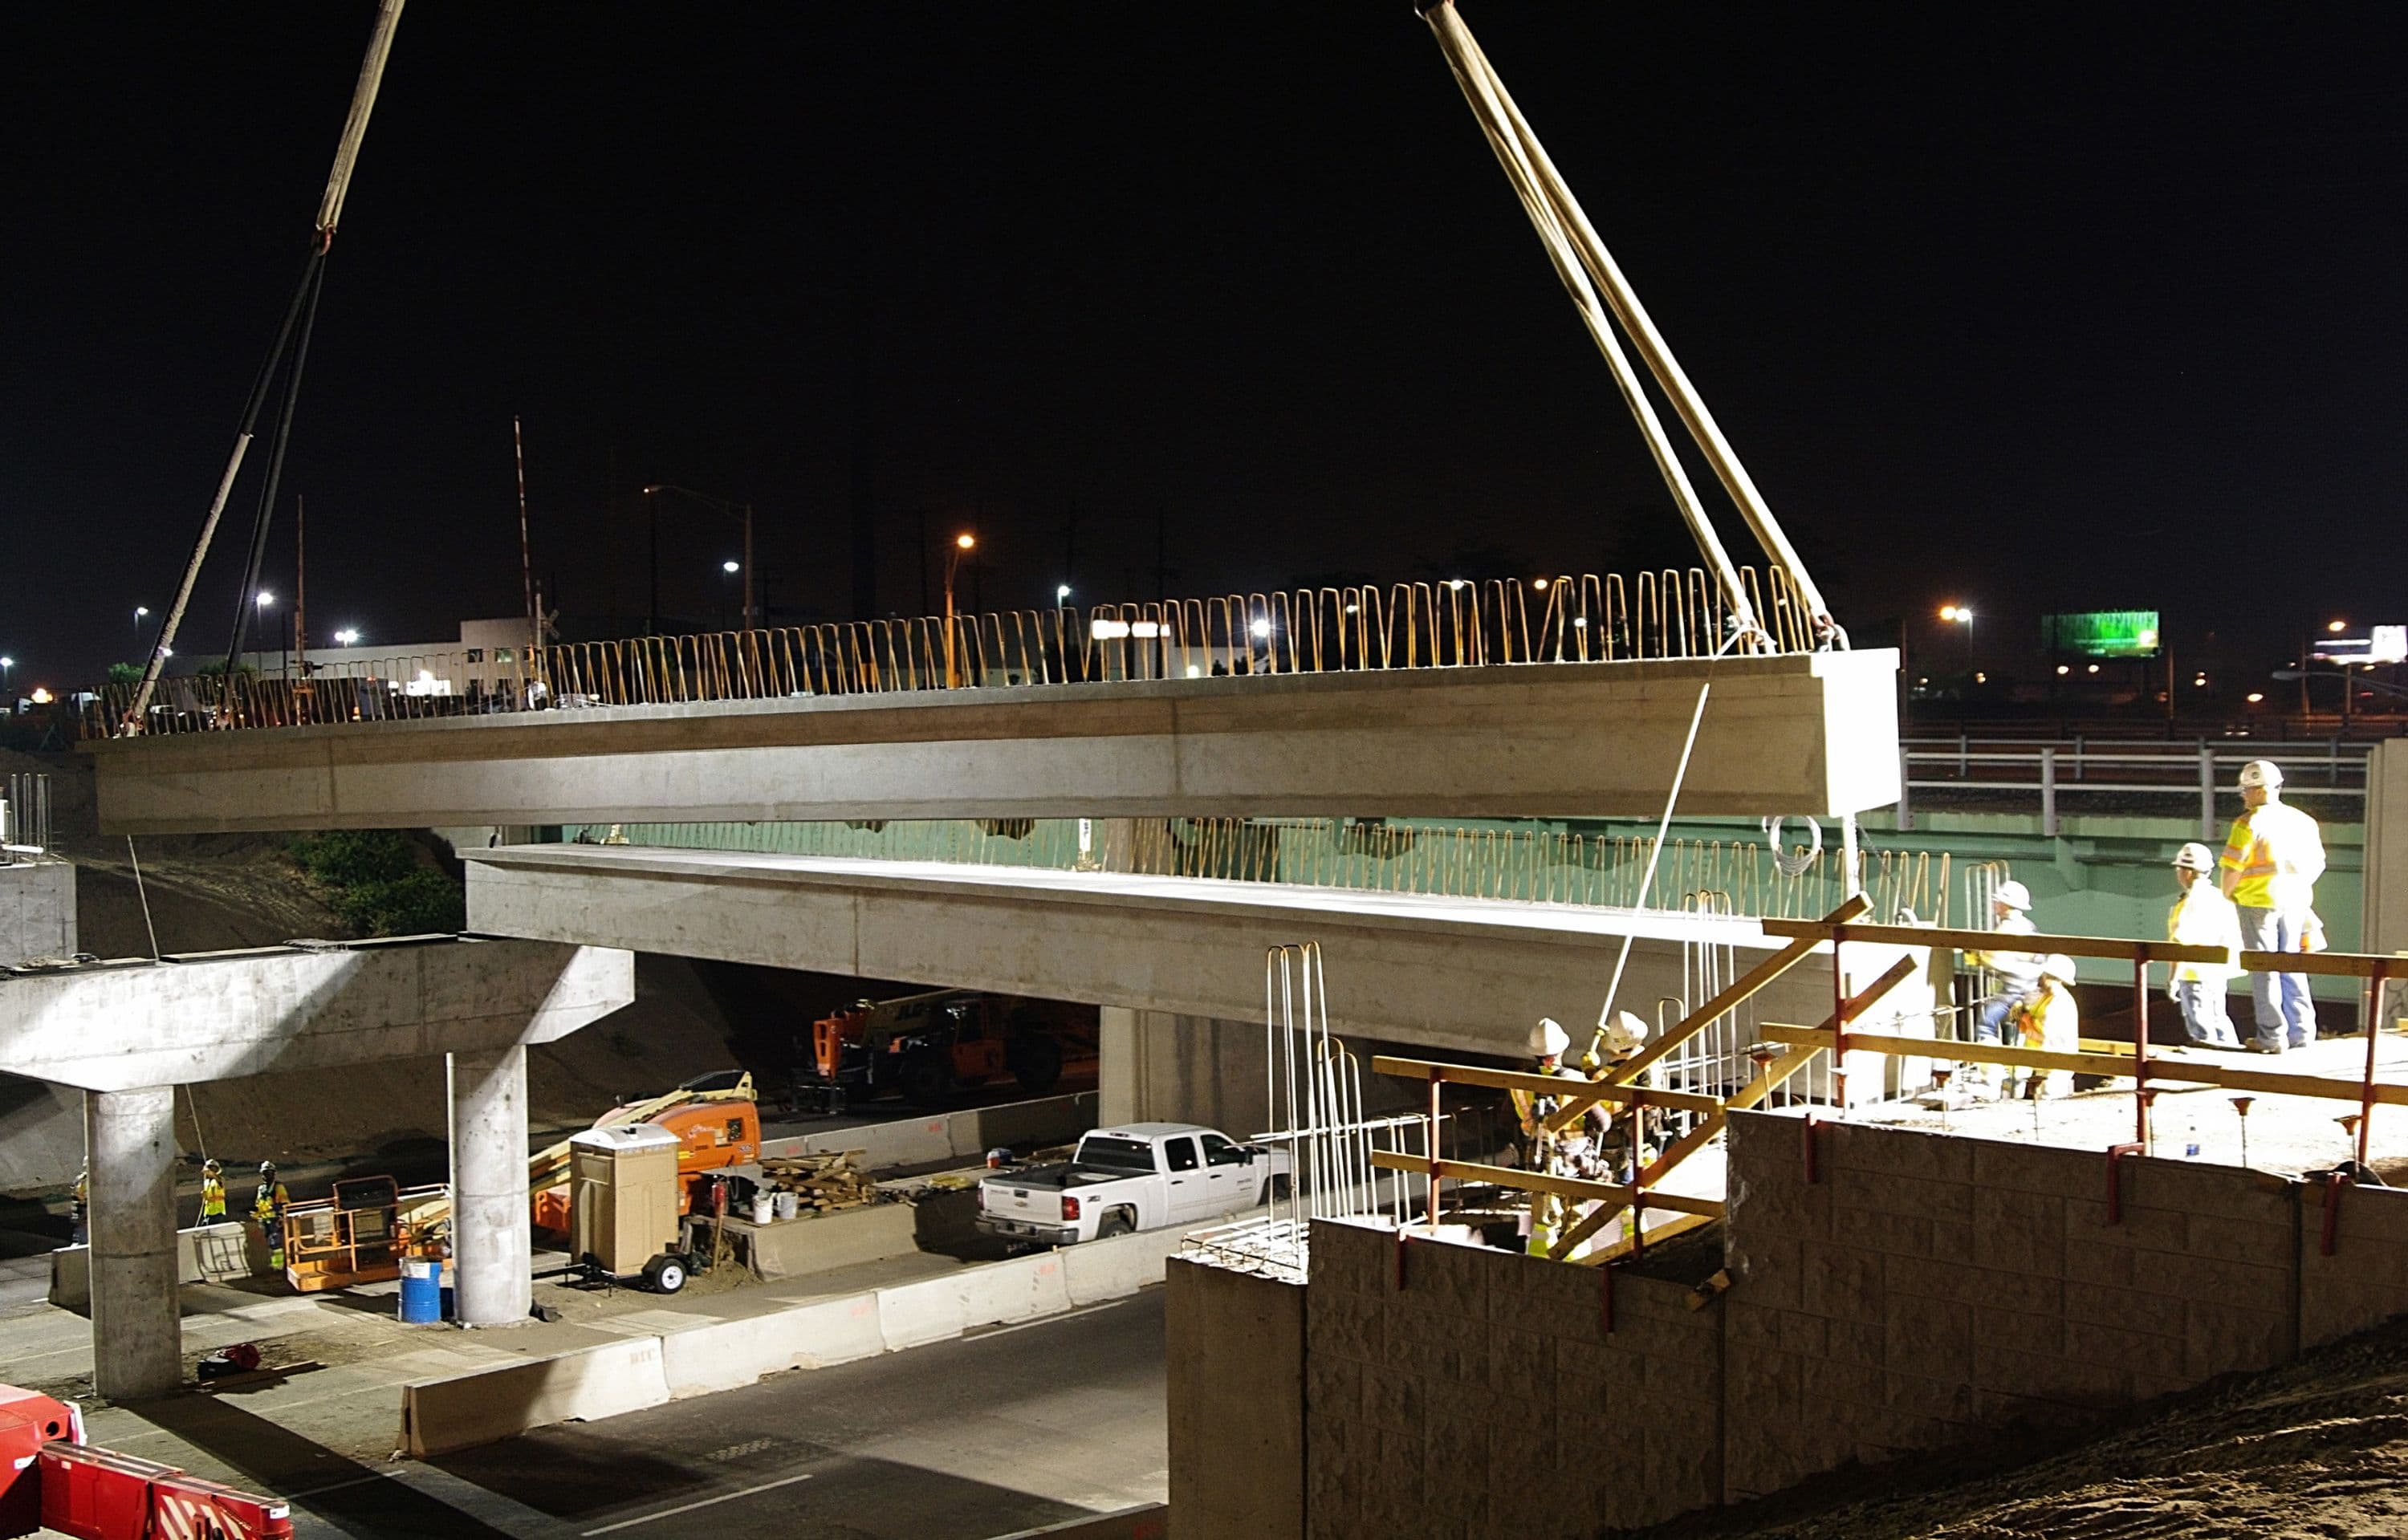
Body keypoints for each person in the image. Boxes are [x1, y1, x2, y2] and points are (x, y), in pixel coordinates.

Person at [2219, 759, 2326, 1053]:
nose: (2244, 796)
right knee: (2291, 966)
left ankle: (2272, 1036)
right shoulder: (2303, 821)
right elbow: (2318, 864)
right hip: (2294, 903)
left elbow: (2232, 869)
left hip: (2257, 904)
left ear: (2255, 790)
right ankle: (2302, 1033)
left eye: (2245, 790)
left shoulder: (2247, 823)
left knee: (2264, 970)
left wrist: (2228, 896)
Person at [2166, 843, 2243, 1047]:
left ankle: (2206, 1063)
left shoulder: (2190, 902)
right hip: (2216, 973)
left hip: (2193, 974)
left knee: (2202, 1030)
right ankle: (2232, 1062)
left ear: (2188, 872)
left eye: (2179, 869)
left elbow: (2180, 945)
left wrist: (2172, 980)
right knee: (2219, 1020)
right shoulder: (2220, 897)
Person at [1968, 880, 2041, 1044]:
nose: (1995, 904)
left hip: (2015, 990)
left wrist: (1977, 956)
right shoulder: (2028, 926)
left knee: (1985, 1027)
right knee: (2018, 1031)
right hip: (2031, 990)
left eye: (1998, 901)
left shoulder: (2007, 928)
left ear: (2006, 904)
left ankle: (1990, 1057)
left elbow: (1995, 959)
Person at [2007, 954, 2080, 1099]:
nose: (2039, 978)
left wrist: (2025, 1019)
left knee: (2048, 1098)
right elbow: (2033, 1020)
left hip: (2056, 1062)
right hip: (2041, 1059)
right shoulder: (2047, 998)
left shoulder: (2060, 1003)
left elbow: (2045, 1035)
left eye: (2043, 974)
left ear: (2049, 977)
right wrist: (2022, 1012)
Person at [253, 1161, 290, 1271]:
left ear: (274, 1174)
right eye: (265, 1173)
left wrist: (276, 1212)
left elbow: (285, 1203)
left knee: (276, 1243)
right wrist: (259, 1213)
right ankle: (275, 1264)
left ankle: (279, 1265)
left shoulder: (278, 1187)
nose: (266, 1176)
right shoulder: (261, 1189)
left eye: (269, 1173)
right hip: (266, 1219)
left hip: (275, 1219)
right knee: (271, 1243)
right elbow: (259, 1204)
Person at [199, 1158, 228, 1222]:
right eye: (210, 1168)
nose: (211, 1171)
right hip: (208, 1213)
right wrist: (205, 1196)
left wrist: (210, 1172)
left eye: (213, 1169)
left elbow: (219, 1181)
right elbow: (209, 1198)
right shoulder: (206, 1182)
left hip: (218, 1213)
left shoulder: (219, 1180)